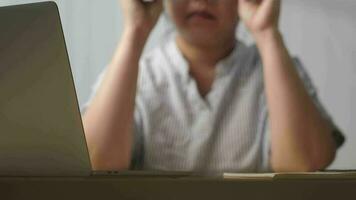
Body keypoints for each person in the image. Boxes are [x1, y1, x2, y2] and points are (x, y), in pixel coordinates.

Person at [82, 0, 344, 173]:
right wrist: (135, 30)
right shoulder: (134, 76)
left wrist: (267, 32)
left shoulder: (279, 71)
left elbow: (305, 167)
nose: (201, 0)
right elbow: (96, 164)